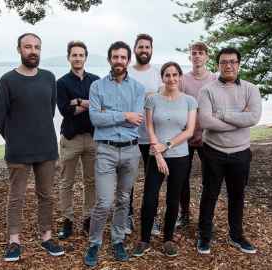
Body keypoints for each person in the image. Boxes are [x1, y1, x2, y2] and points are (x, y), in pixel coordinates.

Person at [0, 33, 64, 262]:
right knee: (17, 197)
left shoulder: (49, 78)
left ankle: (47, 237)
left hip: (46, 148)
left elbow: (49, 110)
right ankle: (14, 241)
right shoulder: (7, 80)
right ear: (19, 50)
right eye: (28, 47)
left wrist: (37, 132)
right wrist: (15, 138)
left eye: (37, 47)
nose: (33, 51)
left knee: (46, 195)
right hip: (18, 151)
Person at [83, 41, 145, 267]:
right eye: (115, 57)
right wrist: (124, 116)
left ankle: (118, 240)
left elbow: (136, 120)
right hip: (106, 150)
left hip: (131, 150)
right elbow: (95, 119)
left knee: (122, 199)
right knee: (104, 201)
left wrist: (111, 114)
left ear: (128, 60)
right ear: (110, 59)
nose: (119, 61)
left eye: (123, 57)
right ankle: (94, 242)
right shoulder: (97, 87)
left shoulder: (137, 88)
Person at [196, 47, 262, 255]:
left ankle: (236, 235)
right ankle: (204, 236)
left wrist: (222, 114)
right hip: (213, 151)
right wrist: (238, 120)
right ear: (218, 65)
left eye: (233, 61)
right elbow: (205, 120)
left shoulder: (251, 89)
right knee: (210, 194)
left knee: (237, 195)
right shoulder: (207, 90)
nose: (228, 65)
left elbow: (253, 118)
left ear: (239, 64)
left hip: (241, 152)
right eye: (224, 62)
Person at [132, 62, 197, 257]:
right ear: (162, 77)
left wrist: (166, 146)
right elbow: (149, 128)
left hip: (180, 157)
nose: (171, 78)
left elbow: (189, 131)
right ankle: (144, 239)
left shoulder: (189, 101)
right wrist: (158, 153)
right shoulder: (153, 100)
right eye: (167, 75)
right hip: (155, 155)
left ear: (180, 77)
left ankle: (168, 238)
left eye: (175, 75)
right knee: (150, 198)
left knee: (173, 199)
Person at [56, 41, 100, 240]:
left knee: (91, 181)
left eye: (81, 55)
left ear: (85, 57)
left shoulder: (96, 81)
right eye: (74, 55)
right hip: (71, 138)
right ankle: (67, 220)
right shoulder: (62, 83)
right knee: (67, 181)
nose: (77, 58)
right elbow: (65, 110)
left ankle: (88, 219)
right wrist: (86, 103)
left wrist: (78, 102)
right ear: (69, 57)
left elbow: (101, 106)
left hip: (92, 138)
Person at [177, 42, 217, 228]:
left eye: (201, 53)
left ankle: (205, 217)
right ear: (190, 57)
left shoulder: (215, 79)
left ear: (207, 56)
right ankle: (184, 214)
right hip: (185, 138)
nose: (197, 56)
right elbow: (177, 105)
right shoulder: (183, 80)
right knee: (182, 178)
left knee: (209, 179)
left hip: (208, 138)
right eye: (194, 53)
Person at [126, 33, 163, 235]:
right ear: (135, 49)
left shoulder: (158, 74)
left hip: (152, 137)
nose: (144, 50)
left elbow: (162, 101)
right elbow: (122, 101)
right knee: (128, 180)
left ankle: (151, 217)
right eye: (140, 47)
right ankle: (127, 216)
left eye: (147, 47)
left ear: (151, 50)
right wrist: (147, 96)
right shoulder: (128, 73)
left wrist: (142, 98)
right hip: (129, 136)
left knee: (153, 182)